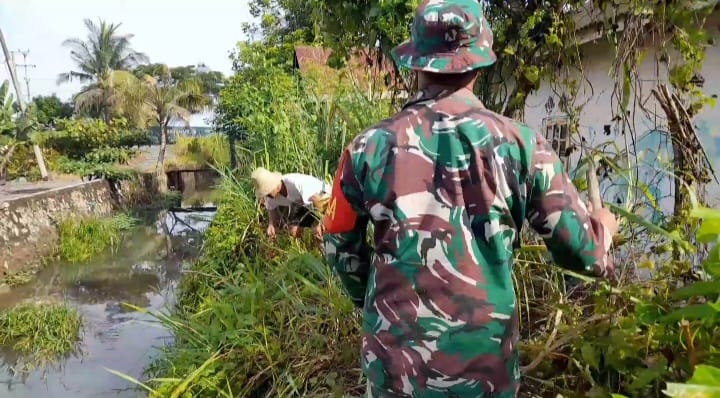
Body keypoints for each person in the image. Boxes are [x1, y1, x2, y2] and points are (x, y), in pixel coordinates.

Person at [321, 0, 619, 397]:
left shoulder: (367, 149)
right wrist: (603, 227)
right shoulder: (522, 146)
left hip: (395, 369)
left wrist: (373, 303)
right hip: (484, 370)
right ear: (480, 64)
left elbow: (338, 240)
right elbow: (586, 256)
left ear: (416, 63)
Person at [251, 167, 329, 240]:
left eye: (267, 192)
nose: (266, 196)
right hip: (306, 206)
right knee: (293, 232)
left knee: (319, 231)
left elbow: (315, 201)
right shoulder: (272, 196)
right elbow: (271, 208)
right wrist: (271, 224)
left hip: (324, 198)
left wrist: (318, 224)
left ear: (276, 186)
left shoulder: (296, 183)